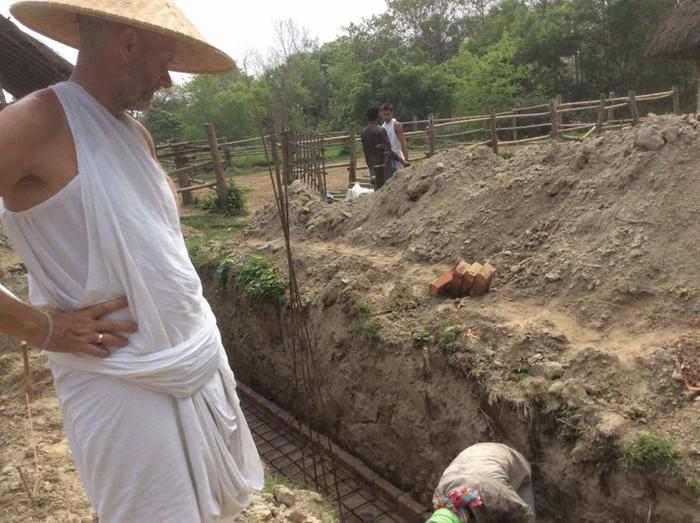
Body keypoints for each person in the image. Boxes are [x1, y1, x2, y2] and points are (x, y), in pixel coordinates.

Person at [0, 1, 263, 521]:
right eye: (165, 60)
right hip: (117, 382)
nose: (167, 80)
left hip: (192, 362)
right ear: (126, 43)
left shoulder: (135, 135)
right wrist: (41, 328)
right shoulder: (30, 124)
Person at [427, 443, 536, 523]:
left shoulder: (493, 497)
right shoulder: (440, 498)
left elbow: (524, 514)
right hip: (473, 459)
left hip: (509, 464)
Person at [360, 107, 392, 189]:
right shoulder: (381, 130)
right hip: (383, 165)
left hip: (371, 164)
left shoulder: (363, 132)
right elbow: (388, 148)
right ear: (378, 116)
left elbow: (365, 150)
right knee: (386, 187)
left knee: (376, 187)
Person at [381, 102, 410, 173]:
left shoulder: (396, 125)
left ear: (392, 113)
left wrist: (406, 159)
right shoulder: (382, 128)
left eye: (388, 114)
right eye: (384, 115)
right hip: (388, 158)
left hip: (398, 155)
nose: (386, 116)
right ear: (381, 115)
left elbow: (403, 142)